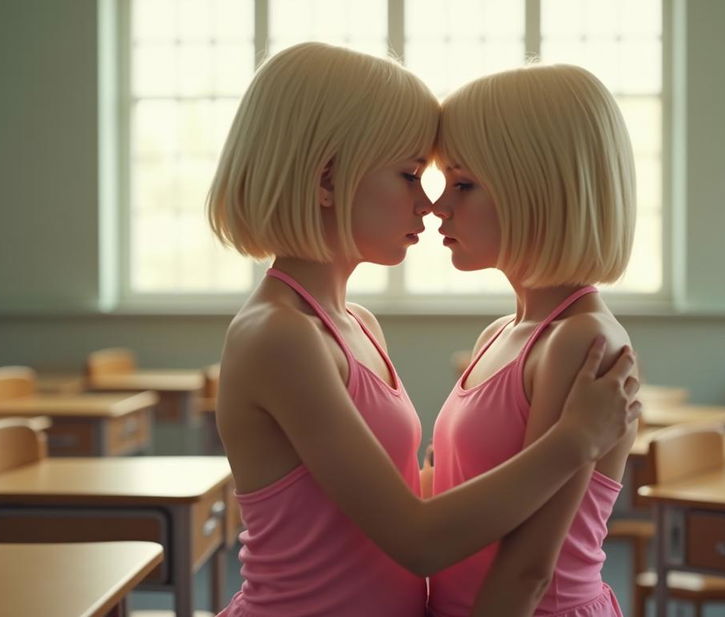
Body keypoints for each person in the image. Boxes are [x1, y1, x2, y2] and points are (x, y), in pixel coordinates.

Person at [207, 43, 641, 617]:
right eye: (411, 174)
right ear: (327, 181)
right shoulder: (280, 334)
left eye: (454, 183)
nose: (431, 201)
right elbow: (419, 537)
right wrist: (574, 441)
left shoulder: (357, 324)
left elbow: (450, 511)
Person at [428, 63, 640, 617]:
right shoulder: (501, 333)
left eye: (464, 184)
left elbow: (529, 571)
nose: (437, 206)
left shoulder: (582, 341)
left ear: (538, 189)